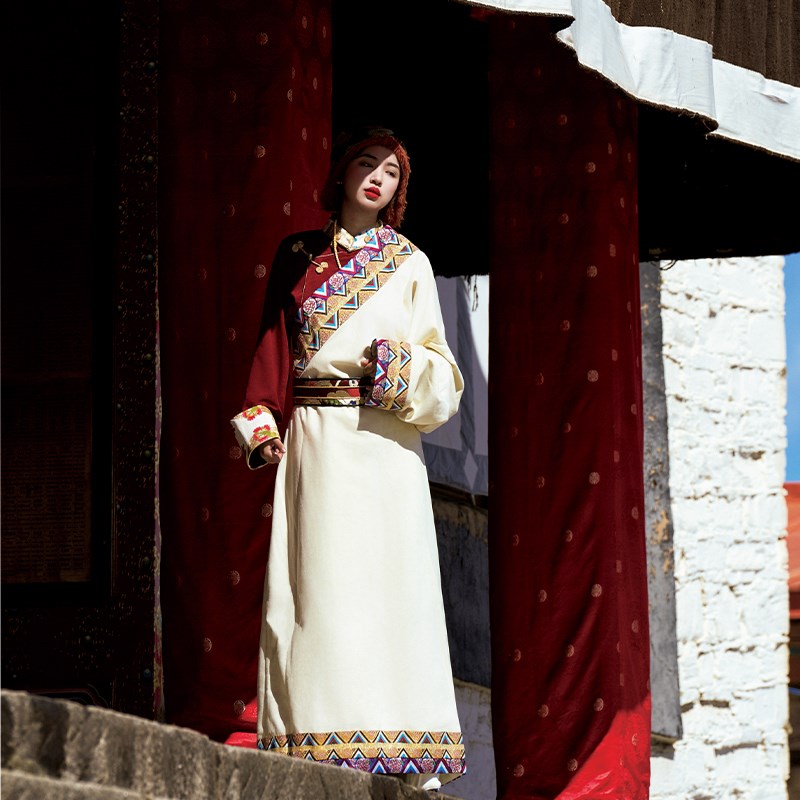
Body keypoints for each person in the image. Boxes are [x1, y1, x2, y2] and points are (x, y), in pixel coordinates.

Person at [230, 126, 465, 791]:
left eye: (391, 172)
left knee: (391, 589)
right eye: (367, 163)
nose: (377, 177)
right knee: (319, 588)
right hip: (319, 441)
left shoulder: (410, 262)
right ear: (341, 172)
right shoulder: (298, 255)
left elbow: (445, 379)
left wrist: (395, 367)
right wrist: (262, 422)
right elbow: (271, 348)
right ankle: (314, 737)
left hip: (386, 445)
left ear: (398, 192)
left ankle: (399, 746)